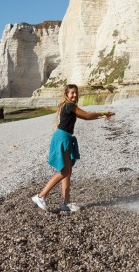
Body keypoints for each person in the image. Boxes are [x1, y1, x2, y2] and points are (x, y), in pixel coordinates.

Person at [32, 84, 114, 212]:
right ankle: (40, 196)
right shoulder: (69, 106)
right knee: (64, 172)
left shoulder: (67, 106)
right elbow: (87, 116)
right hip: (62, 138)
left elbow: (86, 117)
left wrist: (102, 115)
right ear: (66, 94)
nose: (75, 95)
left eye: (76, 93)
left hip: (65, 137)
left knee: (67, 172)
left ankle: (66, 203)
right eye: (72, 93)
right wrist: (103, 113)